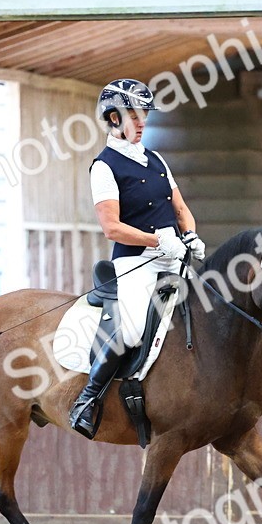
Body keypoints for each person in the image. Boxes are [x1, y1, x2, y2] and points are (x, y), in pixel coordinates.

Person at [69, 78, 205, 439]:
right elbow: (112, 228)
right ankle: (87, 400)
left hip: (173, 257)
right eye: (133, 113)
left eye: (143, 113)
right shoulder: (104, 167)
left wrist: (189, 234)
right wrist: (157, 240)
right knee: (129, 329)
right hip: (135, 263)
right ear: (113, 118)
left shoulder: (157, 159)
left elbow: (180, 208)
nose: (141, 120)